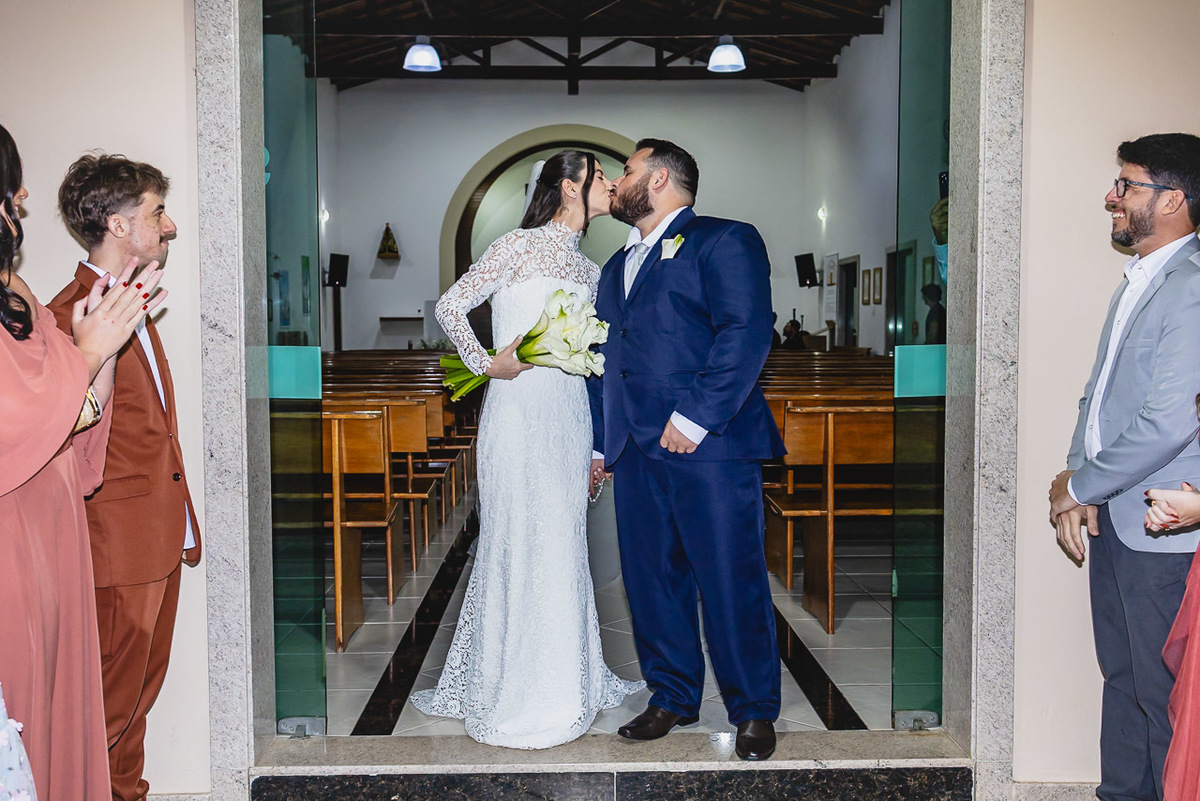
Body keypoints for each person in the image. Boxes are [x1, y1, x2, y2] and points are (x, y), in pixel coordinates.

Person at [413, 151, 642, 748]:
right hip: (516, 417)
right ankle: (509, 684)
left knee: (562, 542)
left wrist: (596, 447)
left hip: (565, 420)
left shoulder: (593, 272)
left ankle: (566, 680)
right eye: (600, 179)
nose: (612, 184)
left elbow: (595, 370)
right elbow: (450, 306)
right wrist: (488, 364)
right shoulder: (516, 248)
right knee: (516, 538)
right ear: (571, 189)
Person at [587, 139, 786, 760]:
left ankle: (752, 708)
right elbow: (605, 360)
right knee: (650, 581)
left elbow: (746, 331)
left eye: (627, 170)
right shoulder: (615, 266)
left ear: (662, 177)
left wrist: (696, 417)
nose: (617, 182)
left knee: (730, 578)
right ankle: (672, 694)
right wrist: (600, 442)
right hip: (636, 450)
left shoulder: (724, 240)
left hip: (710, 445)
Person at [0, 124, 166, 801]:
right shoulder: (55, 304)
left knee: (70, 709)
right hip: (17, 543)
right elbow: (16, 421)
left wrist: (96, 354)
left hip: (53, 537)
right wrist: (90, 350)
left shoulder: (22, 299)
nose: (22, 198)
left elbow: (76, 421)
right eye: (10, 188)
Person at [1048, 132, 1200, 801]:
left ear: (1172, 199)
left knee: (1164, 693)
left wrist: (1079, 484)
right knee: (1123, 676)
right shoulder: (1140, 279)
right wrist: (1080, 482)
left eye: (1126, 185)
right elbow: (1100, 395)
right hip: (1117, 514)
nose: (1112, 196)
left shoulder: (1191, 288)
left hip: (1166, 523)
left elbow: (1170, 423)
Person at [45, 154, 200, 801]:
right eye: (155, 213)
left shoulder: (130, 299)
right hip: (116, 548)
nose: (168, 227)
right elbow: (65, 438)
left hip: (156, 537)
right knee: (108, 706)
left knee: (136, 701)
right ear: (117, 223)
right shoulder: (69, 316)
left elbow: (153, 430)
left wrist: (185, 520)